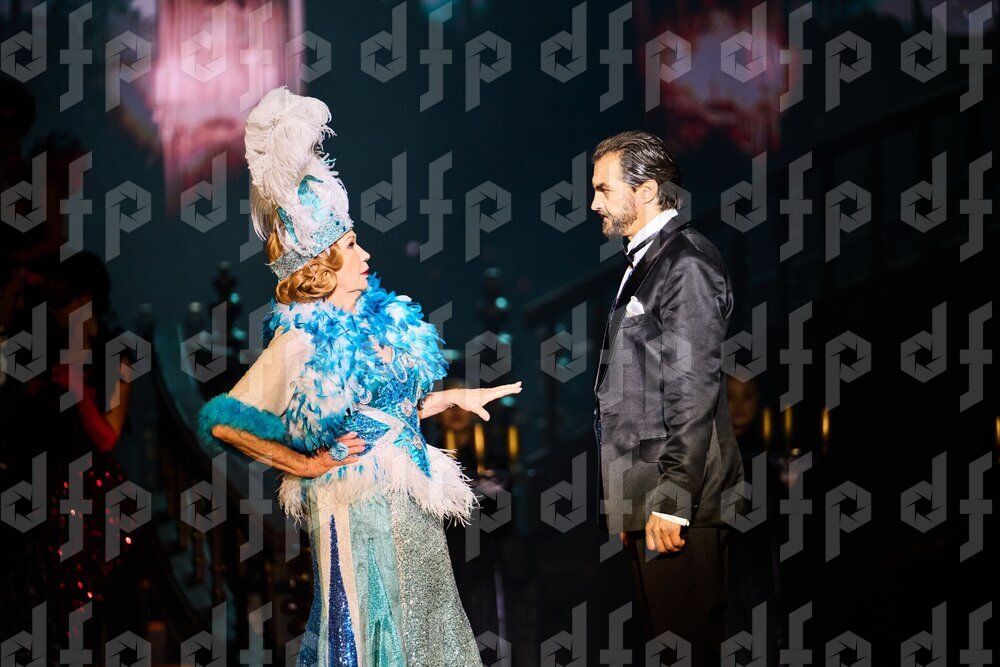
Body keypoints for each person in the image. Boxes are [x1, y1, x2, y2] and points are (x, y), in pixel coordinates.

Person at [198, 86, 520, 666]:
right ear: (322, 266)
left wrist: (452, 398)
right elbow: (224, 422)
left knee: (429, 635)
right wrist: (304, 465)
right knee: (374, 638)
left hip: (410, 506)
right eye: (351, 245)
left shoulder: (375, 322)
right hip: (360, 515)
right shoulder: (299, 339)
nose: (365, 254)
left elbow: (386, 410)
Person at [590, 130, 745, 667]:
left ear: (648, 190)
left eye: (604, 189)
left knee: (688, 649)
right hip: (649, 495)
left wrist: (672, 499)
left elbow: (693, 389)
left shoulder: (687, 262)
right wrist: (632, 499)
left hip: (679, 500)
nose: (594, 204)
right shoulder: (652, 258)